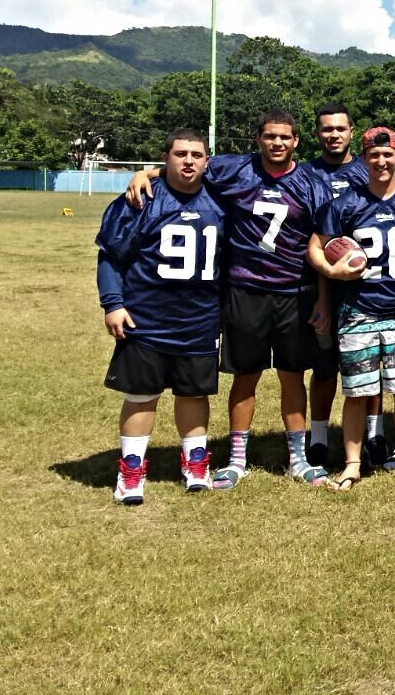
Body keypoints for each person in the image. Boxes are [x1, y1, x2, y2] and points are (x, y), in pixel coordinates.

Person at [126, 109, 334, 490]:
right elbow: (188, 167)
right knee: (246, 375)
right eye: (270, 136)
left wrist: (322, 299)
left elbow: (318, 244)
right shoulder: (234, 169)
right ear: (258, 138)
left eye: (285, 137)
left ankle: (299, 458)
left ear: (296, 142)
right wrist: (147, 173)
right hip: (245, 290)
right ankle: (238, 459)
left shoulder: (311, 183)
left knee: (293, 376)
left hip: (294, 292)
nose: (277, 143)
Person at [308, 126, 395, 492]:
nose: (381, 161)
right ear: (364, 158)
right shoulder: (345, 205)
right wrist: (330, 270)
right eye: (374, 155)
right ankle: (352, 464)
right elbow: (315, 247)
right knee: (356, 391)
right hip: (358, 309)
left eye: (388, 154)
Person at [97, 129, 224, 505]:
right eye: (180, 153)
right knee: (141, 395)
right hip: (146, 317)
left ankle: (195, 462)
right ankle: (132, 469)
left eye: (196, 155)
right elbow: (110, 254)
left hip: (200, 318)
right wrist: (112, 303)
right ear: (165, 158)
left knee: (194, 393)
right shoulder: (141, 199)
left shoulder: (220, 198)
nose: (188, 161)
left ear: (207, 160)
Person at [301, 103, 372, 471]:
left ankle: (373, 435)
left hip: (363, 286)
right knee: (325, 365)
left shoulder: (368, 169)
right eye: (326, 129)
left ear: (350, 131)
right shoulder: (305, 173)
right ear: (317, 133)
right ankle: (317, 436)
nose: (334, 135)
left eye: (340, 129)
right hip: (318, 282)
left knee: (368, 365)